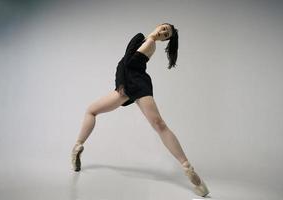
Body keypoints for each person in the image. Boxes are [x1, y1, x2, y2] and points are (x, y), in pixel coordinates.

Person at [71, 23, 210, 197]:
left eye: (166, 35)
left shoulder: (150, 43)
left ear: (164, 40)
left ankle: (188, 168)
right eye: (164, 28)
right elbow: (124, 64)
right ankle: (77, 148)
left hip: (136, 83)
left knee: (159, 124)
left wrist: (121, 85)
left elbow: (127, 63)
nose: (164, 32)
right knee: (92, 111)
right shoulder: (142, 39)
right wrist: (120, 87)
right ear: (159, 25)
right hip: (126, 86)